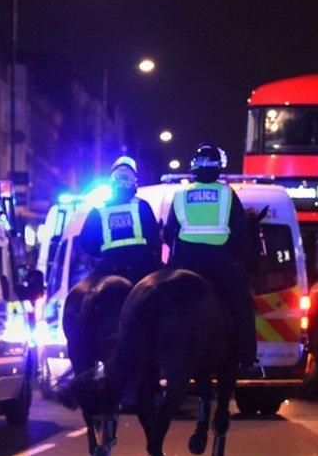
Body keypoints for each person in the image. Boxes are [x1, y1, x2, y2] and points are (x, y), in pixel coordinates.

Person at [163, 144, 258, 371]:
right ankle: (247, 356)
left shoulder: (180, 195)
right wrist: (233, 255)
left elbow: (168, 233)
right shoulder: (227, 194)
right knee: (241, 303)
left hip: (185, 262)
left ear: (194, 168)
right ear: (218, 169)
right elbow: (241, 233)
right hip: (220, 261)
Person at [80, 156, 163, 284]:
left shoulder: (98, 210)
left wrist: (102, 253)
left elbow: (86, 242)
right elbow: (154, 237)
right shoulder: (142, 206)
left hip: (110, 267)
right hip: (142, 266)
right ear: (134, 182)